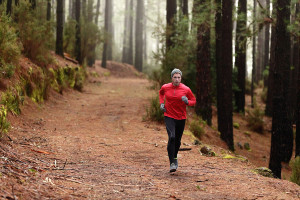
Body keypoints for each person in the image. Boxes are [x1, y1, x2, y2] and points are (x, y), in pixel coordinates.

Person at [159, 68, 196, 172]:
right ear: (171, 78)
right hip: (169, 115)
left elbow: (194, 100)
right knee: (172, 137)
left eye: (178, 77)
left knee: (178, 141)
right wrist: (162, 103)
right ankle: (172, 163)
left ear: (181, 78)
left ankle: (174, 157)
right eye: (175, 77)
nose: (176, 79)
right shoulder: (165, 87)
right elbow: (161, 93)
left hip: (181, 117)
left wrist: (187, 101)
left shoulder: (186, 89)